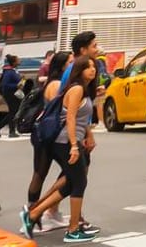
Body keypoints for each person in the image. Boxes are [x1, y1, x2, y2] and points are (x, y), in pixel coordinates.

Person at [26, 56, 100, 242]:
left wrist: (87, 136)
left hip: (69, 141)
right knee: (79, 183)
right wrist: (75, 146)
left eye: (94, 67)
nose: (92, 70)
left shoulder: (85, 90)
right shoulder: (76, 89)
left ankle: (34, 213)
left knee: (71, 183)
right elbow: (71, 118)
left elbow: (83, 120)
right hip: (65, 142)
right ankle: (72, 229)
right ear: (79, 70)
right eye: (87, 67)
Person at [25, 51, 72, 236]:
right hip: (47, 135)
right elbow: (59, 110)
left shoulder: (59, 83)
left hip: (48, 135)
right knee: (41, 173)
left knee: (52, 172)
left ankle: (49, 210)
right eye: (69, 62)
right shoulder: (55, 84)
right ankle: (32, 212)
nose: (72, 64)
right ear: (62, 66)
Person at [0, 55, 22, 138]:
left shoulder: (13, 71)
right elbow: (5, 84)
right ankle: (10, 131)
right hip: (10, 94)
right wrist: (16, 86)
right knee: (13, 112)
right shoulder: (9, 72)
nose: (20, 61)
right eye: (18, 60)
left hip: (14, 94)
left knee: (13, 112)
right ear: (14, 62)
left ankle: (1, 128)